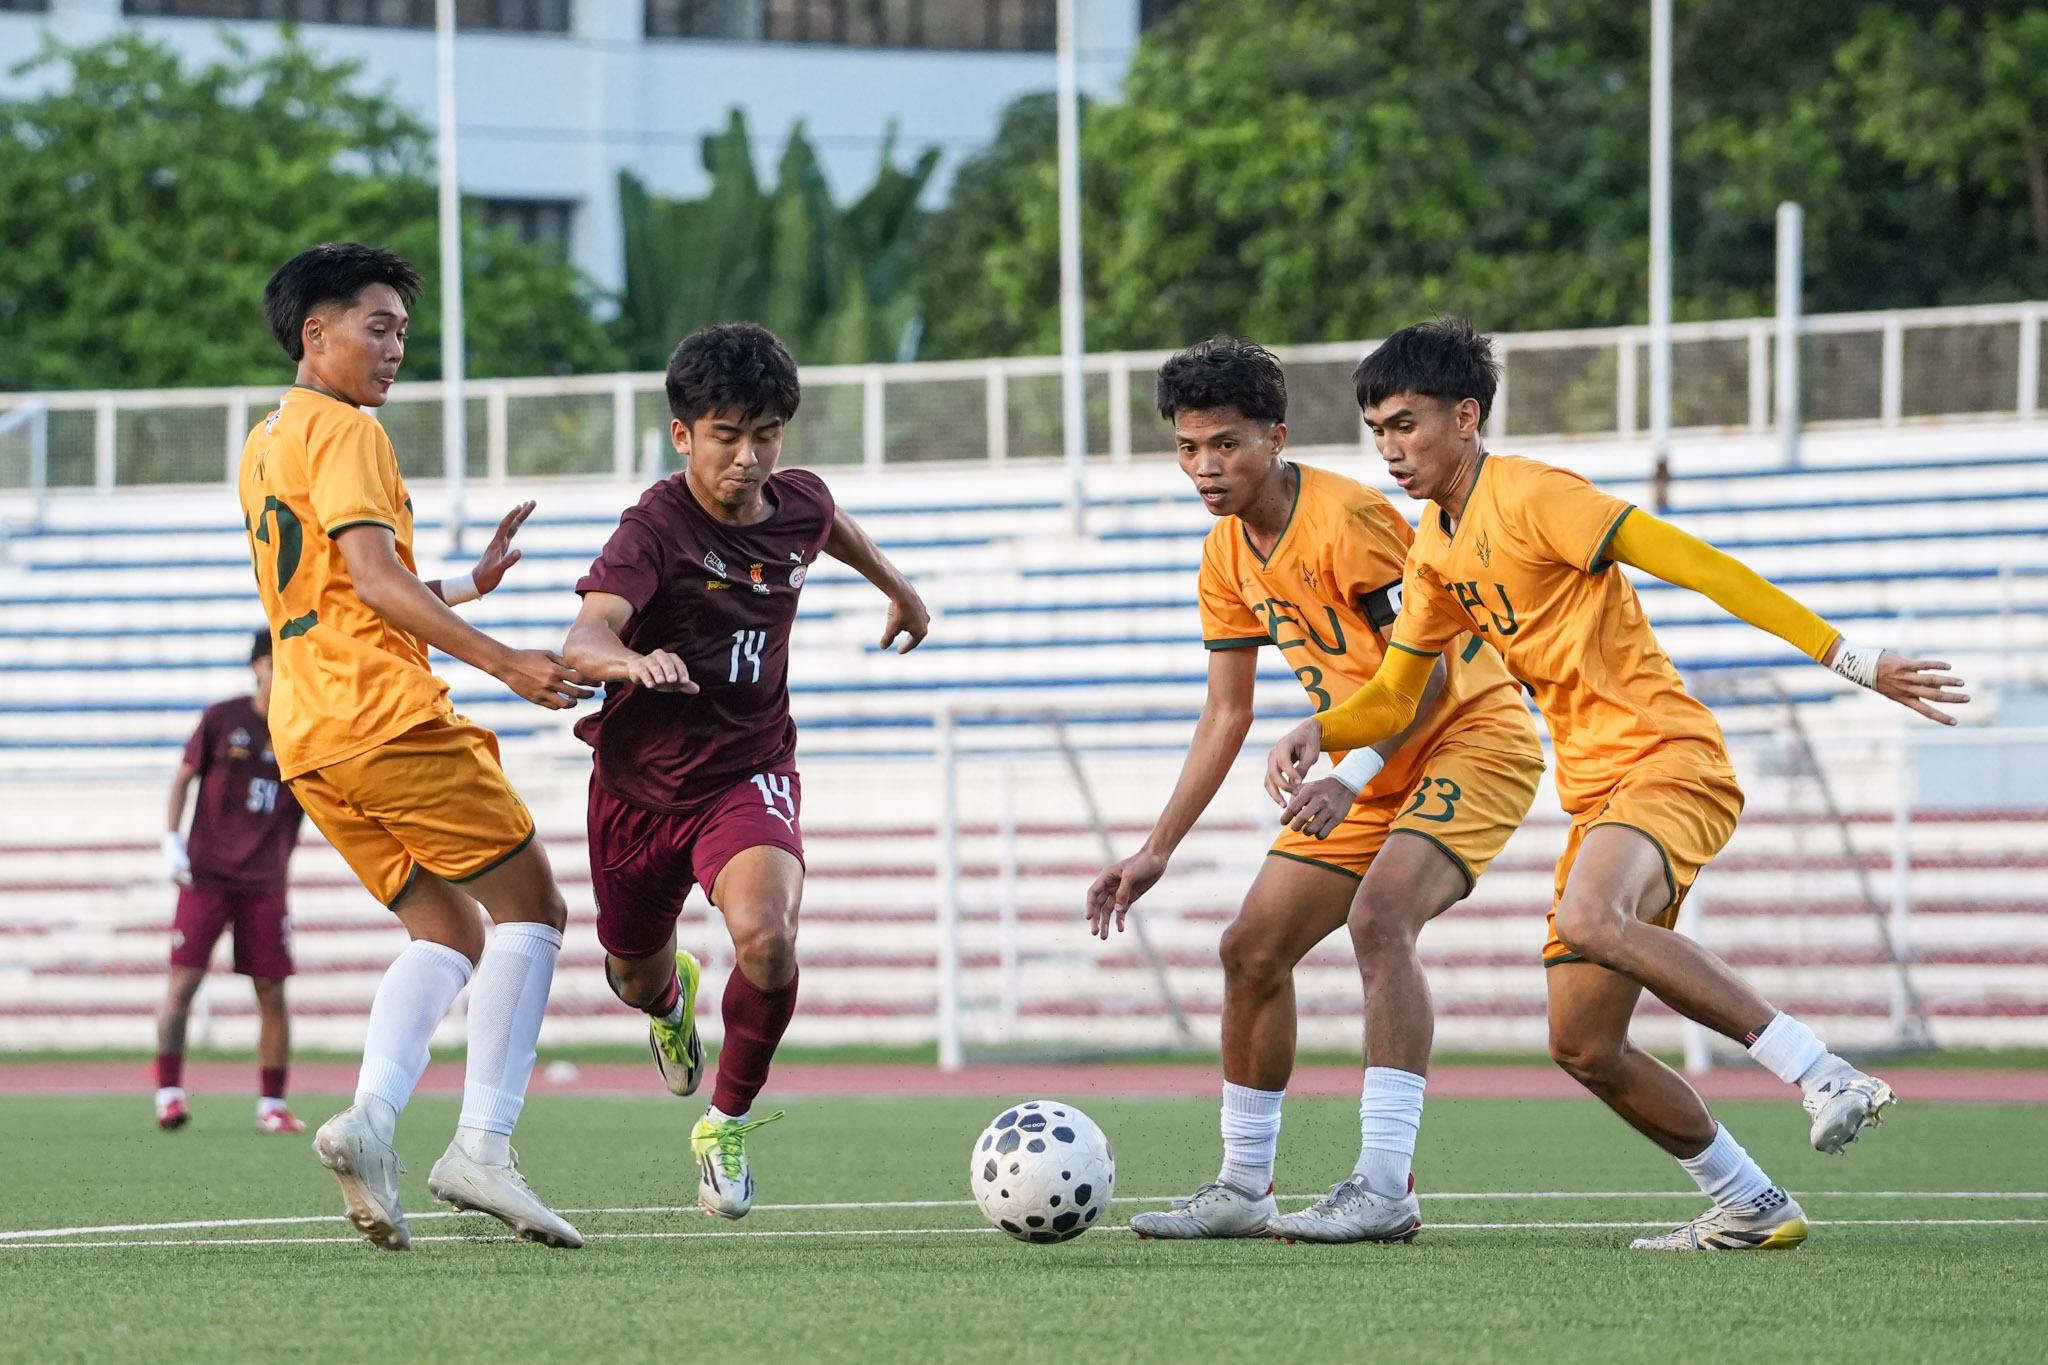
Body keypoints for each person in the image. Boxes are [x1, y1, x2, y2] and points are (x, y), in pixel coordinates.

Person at [1270, 317, 1968, 1251]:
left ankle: (1824, 1070)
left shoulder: (1535, 497)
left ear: (1466, 416)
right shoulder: (1435, 546)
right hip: (1597, 791)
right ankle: (1753, 1203)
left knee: (1596, 920)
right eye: (1378, 431)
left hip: (1669, 757)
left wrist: (1851, 656)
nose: (1392, 449)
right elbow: (1398, 690)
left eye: (1407, 423)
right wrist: (1325, 729)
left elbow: (1700, 564)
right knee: (1583, 1042)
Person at [1085, 337, 1545, 1242]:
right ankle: (1244, 1187)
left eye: (1226, 445)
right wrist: (1156, 848)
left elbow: (1438, 678)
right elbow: (1226, 715)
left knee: (1381, 920)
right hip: (1362, 765)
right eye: (1187, 448)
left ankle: (1384, 1187)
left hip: (1469, 740)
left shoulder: (1351, 520)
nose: (1205, 468)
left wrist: (1350, 774)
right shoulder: (1225, 555)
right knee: (1250, 950)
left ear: (1276, 437)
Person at [241, 242, 595, 1251]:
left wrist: (467, 587)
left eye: (403, 330)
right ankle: (482, 1145)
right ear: (318, 334)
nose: (397, 348)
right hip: (382, 717)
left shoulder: (268, 438)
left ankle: (369, 1122)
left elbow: (344, 593)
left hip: (310, 736)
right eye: (378, 326)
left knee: (448, 929)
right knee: (534, 905)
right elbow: (375, 585)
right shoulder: (348, 430)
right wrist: (503, 659)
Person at [562, 322, 929, 1220]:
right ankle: (669, 999)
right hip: (638, 789)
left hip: (749, 769)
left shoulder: (795, 500)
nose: (749, 456)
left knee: (768, 936)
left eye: (765, 433)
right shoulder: (653, 527)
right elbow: (585, 635)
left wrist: (898, 587)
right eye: (727, 435)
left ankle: (723, 1125)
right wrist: (626, 661)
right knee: (631, 974)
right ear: (684, 435)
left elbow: (826, 522)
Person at [155, 629, 307, 1134]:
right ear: (259, 664)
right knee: (185, 982)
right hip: (208, 874)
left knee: (271, 990)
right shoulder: (223, 717)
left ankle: (272, 1104)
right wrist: (170, 840)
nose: (284, 669)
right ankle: (170, 1093)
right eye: (277, 659)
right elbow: (183, 778)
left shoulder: (307, 725)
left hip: (265, 880)